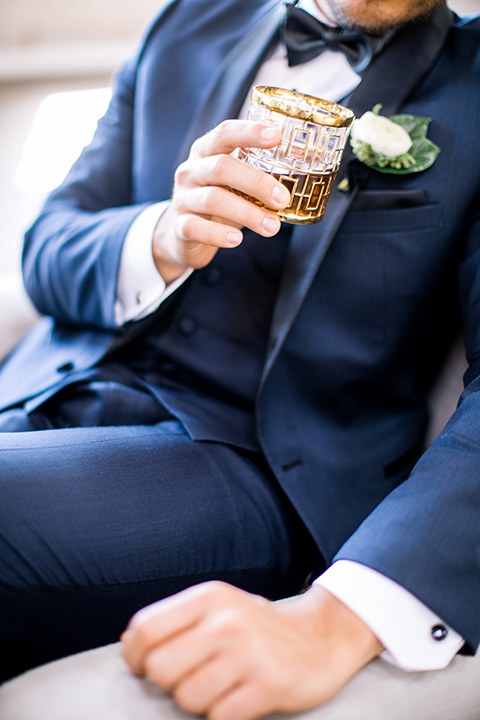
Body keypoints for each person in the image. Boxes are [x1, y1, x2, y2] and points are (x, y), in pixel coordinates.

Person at [0, 0, 480, 717]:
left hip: (259, 465)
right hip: (50, 387)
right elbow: (48, 246)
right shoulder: (189, 19)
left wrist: (341, 614)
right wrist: (161, 236)